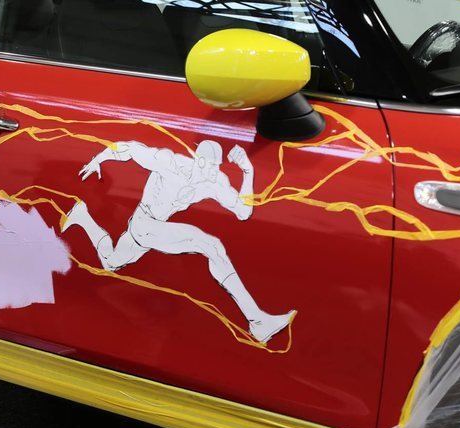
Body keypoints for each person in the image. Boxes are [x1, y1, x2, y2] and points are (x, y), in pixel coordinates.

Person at [64, 140, 295, 344]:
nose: (215, 171)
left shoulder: (213, 181)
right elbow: (131, 149)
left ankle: (82, 216)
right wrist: (99, 158)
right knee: (210, 245)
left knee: (111, 262)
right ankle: (257, 321)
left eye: (217, 167)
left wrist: (247, 171)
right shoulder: (171, 163)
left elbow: (243, 212)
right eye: (212, 166)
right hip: (144, 222)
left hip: (152, 228)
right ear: (200, 161)